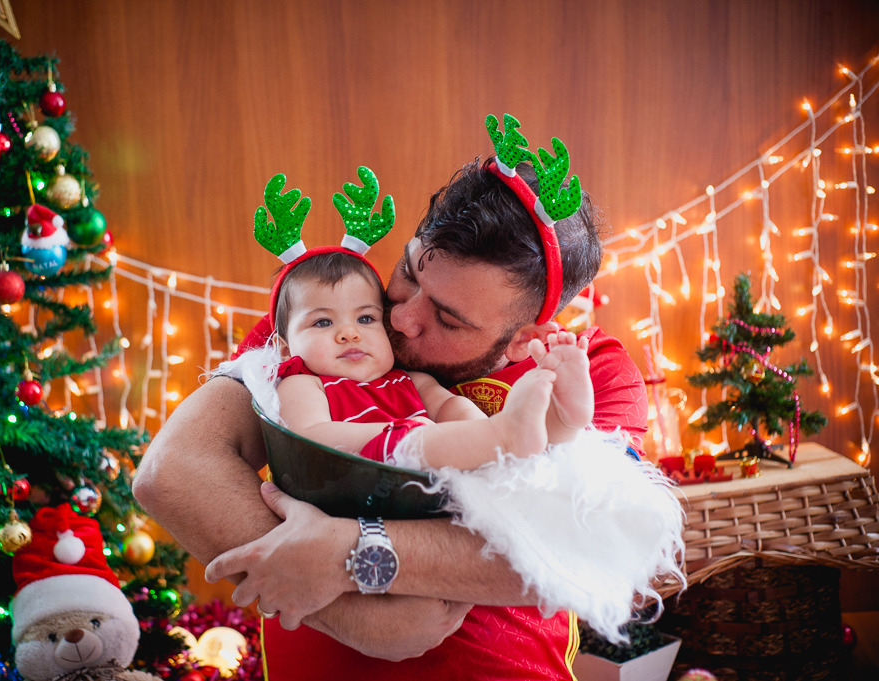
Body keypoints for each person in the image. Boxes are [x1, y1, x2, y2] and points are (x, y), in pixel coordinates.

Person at [133, 120, 667, 679]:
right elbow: (172, 471)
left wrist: (350, 552)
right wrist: (352, 611)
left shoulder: (587, 373)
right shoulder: (331, 328)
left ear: (523, 341)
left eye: (448, 319)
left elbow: (590, 542)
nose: (401, 319)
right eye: (409, 273)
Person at [268, 248, 595, 469]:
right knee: (487, 443)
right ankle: (505, 440)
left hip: (429, 489)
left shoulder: (408, 379)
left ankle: (560, 424)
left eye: (366, 319)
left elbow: (450, 407)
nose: (348, 334)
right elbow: (306, 442)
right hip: (352, 482)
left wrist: (481, 430)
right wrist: (410, 438)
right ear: (284, 348)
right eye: (323, 323)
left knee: (503, 454)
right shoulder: (304, 384)